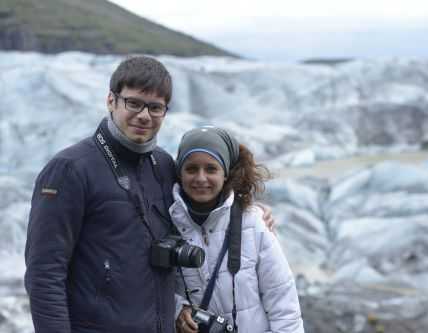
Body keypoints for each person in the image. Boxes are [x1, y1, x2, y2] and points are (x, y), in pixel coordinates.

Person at [24, 56, 178, 333]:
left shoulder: (164, 166)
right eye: (134, 103)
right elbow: (44, 273)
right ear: (111, 100)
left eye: (156, 107)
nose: (144, 115)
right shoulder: (70, 169)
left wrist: (250, 210)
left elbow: (204, 209)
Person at [171, 126, 304, 333]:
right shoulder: (166, 223)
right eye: (191, 169)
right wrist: (177, 309)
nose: (201, 178)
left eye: (211, 169)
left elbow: (283, 303)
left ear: (226, 174)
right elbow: (147, 286)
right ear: (180, 174)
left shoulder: (252, 223)